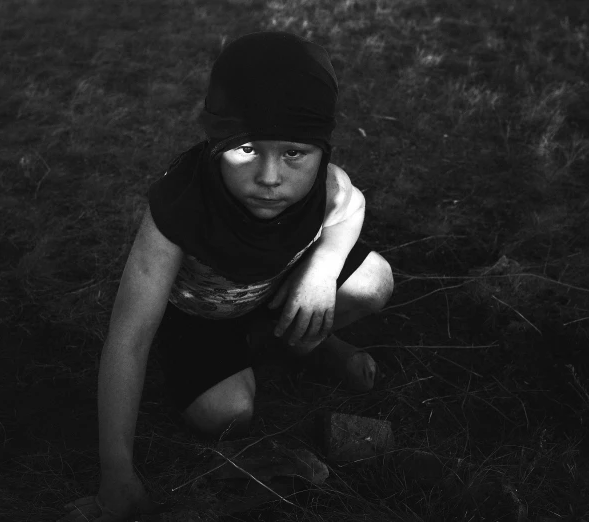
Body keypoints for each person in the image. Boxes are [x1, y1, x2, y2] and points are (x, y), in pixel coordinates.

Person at [62, 31, 394, 522]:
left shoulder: (327, 185)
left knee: (374, 282)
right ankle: (290, 342)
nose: (269, 177)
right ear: (215, 141)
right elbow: (129, 338)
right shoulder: (179, 211)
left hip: (273, 291)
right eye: (245, 149)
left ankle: (299, 339)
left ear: (323, 149)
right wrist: (117, 473)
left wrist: (322, 270)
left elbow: (353, 206)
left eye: (293, 154)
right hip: (201, 318)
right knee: (227, 414)